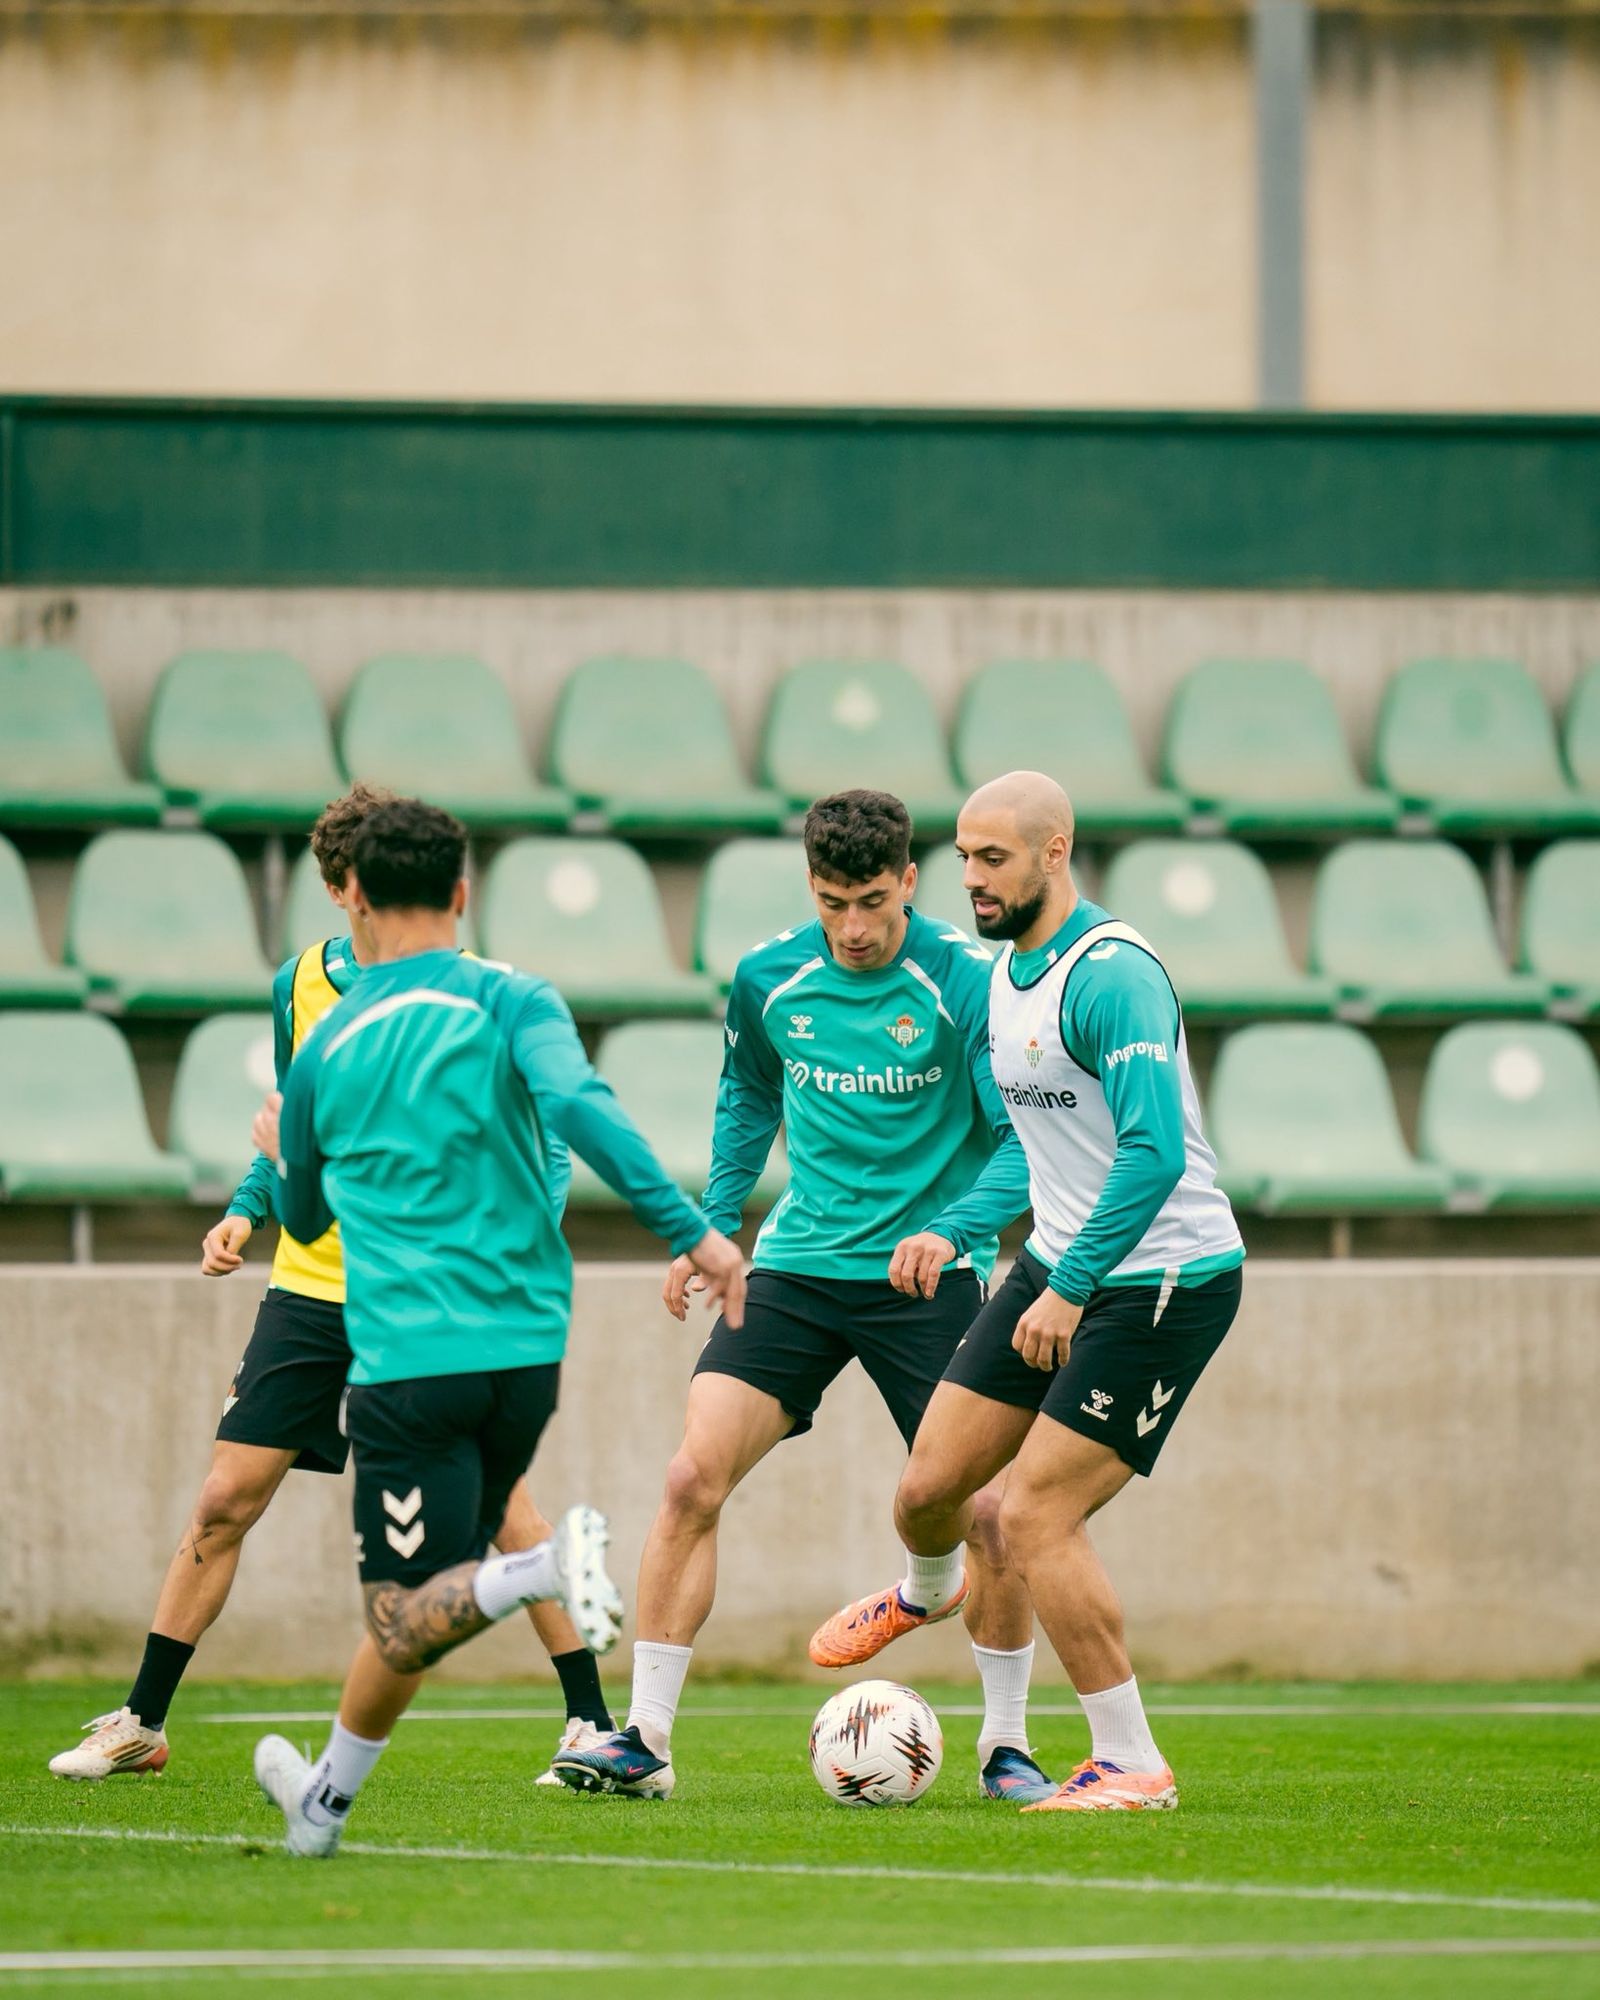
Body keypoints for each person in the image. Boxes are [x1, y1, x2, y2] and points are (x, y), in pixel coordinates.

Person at [48, 786, 612, 1789]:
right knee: (225, 1497)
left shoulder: (478, 991)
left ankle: (590, 1721)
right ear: (340, 888)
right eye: (356, 883)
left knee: (504, 1509)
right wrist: (247, 1206)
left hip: (424, 1294)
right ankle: (141, 1719)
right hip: (310, 1287)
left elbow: (546, 1139)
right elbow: (294, 1118)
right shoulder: (301, 982)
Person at [247, 797, 746, 1856]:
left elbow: (303, 1219)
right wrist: (696, 1233)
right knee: (425, 1596)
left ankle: (541, 1570)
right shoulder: (518, 998)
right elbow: (583, 1109)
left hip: (407, 1359)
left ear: (354, 897)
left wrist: (285, 1149)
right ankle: (322, 1807)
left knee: (403, 1613)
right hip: (526, 1354)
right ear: (463, 892)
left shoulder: (330, 1041)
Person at [557, 789, 1054, 1805]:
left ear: (909, 880)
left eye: (873, 901)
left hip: (927, 1275)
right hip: (795, 1265)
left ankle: (1005, 1746)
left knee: (991, 1511)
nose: (854, 927)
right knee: (690, 1478)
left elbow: (1023, 1143)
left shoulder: (968, 983)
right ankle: (644, 1738)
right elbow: (748, 1092)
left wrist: (953, 1227)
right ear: (810, 889)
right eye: (833, 903)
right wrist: (713, 1225)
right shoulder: (767, 977)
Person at [812, 771, 1244, 1813]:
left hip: (1162, 1277)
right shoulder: (1004, 974)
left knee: (1032, 1512)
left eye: (993, 857)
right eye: (963, 856)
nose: (971, 876)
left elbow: (1151, 1154)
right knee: (929, 1490)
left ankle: (1130, 1760)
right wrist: (968, 1232)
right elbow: (1035, 1149)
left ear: (1056, 852)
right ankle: (926, 1592)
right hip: (1057, 1263)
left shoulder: (1114, 976)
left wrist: (1071, 1286)